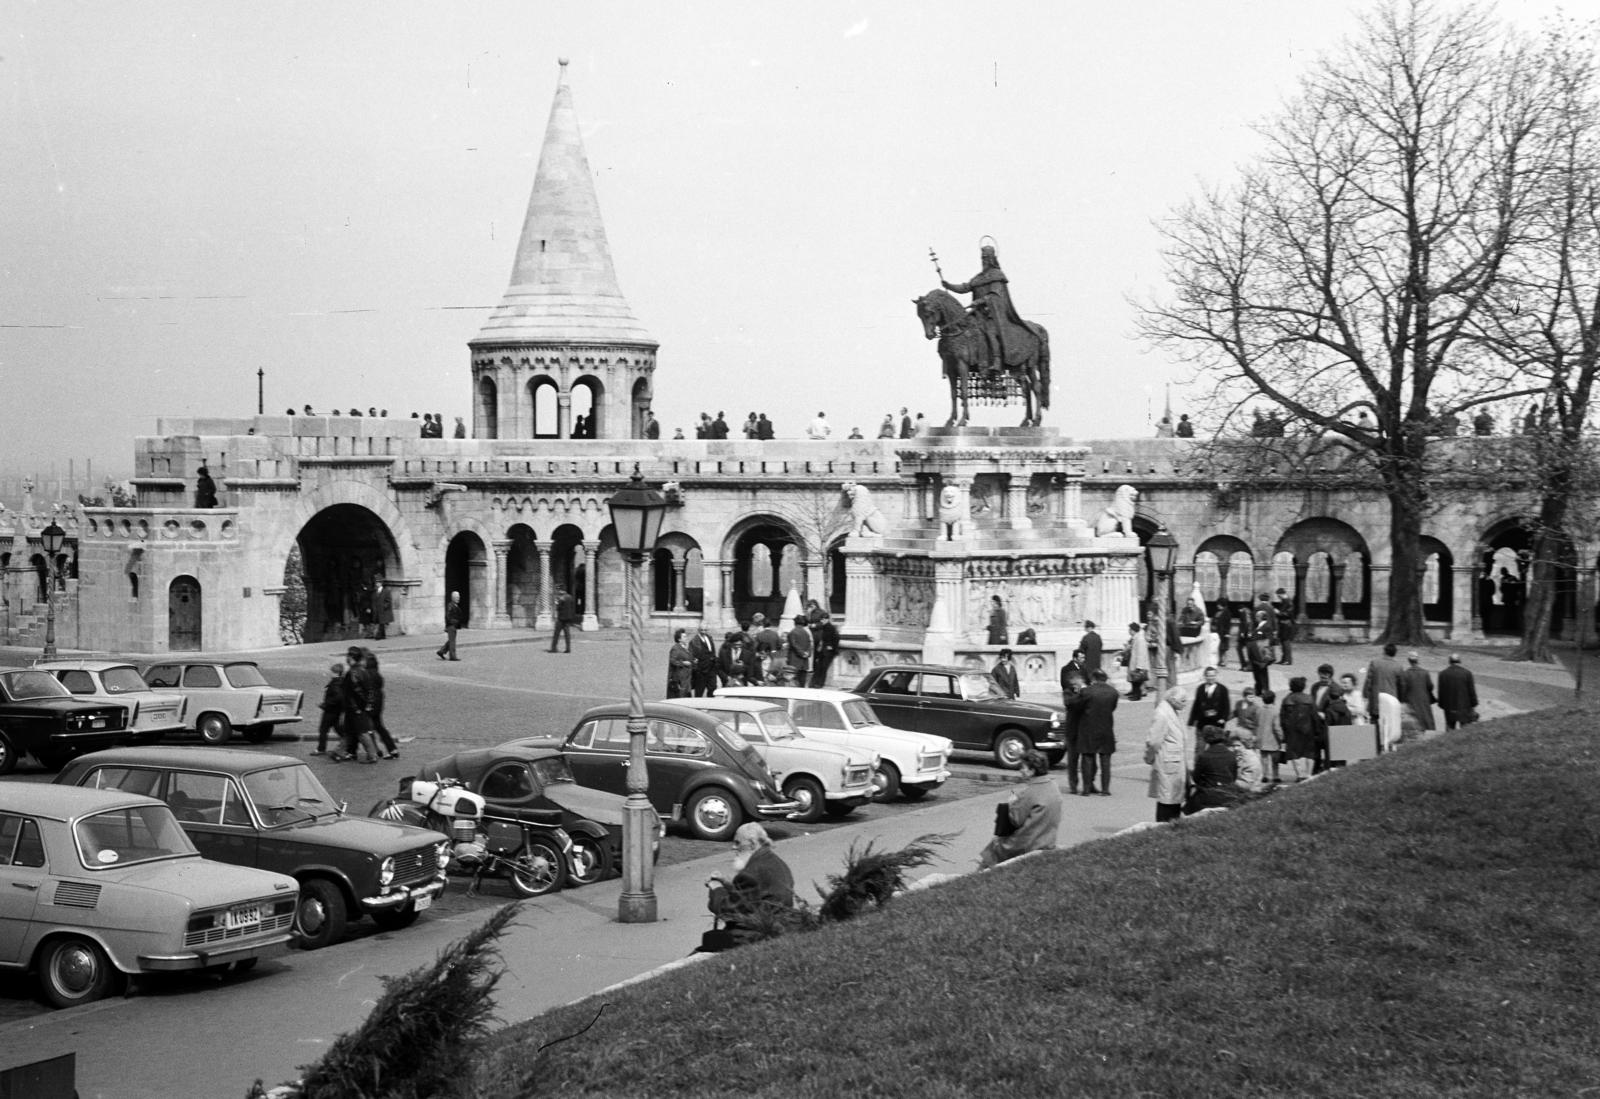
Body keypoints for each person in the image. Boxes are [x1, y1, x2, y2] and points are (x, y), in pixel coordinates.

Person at [941, 240, 1028, 377]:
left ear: (992, 259)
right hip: (976, 315)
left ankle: (997, 362)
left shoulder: (997, 276)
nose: (984, 261)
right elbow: (965, 287)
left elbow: (995, 295)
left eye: (986, 258)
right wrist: (949, 285)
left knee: (990, 332)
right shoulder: (979, 277)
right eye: (982, 258)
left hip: (992, 315)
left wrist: (979, 302)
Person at [704, 823, 795, 948]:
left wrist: (716, 888)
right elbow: (754, 894)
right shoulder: (775, 862)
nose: (733, 848)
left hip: (756, 935)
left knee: (709, 943)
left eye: (737, 843)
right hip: (780, 926)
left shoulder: (751, 873)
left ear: (752, 844)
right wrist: (726, 882)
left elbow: (727, 909)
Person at [977, 750, 1063, 870]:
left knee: (994, 847)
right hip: (1047, 840)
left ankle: (978, 876)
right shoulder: (1053, 786)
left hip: (1028, 842)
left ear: (1032, 771)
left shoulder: (1029, 792)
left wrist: (1012, 803)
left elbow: (1015, 819)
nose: (1020, 770)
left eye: (1023, 767)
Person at [1145, 686, 1193, 823]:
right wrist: (1149, 757)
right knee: (1167, 799)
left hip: (1175, 762)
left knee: (1174, 798)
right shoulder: (1162, 713)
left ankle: (1173, 825)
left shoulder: (1174, 711)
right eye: (1183, 701)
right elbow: (1153, 741)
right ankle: (1164, 826)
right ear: (1173, 699)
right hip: (1167, 762)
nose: (1185, 704)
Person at [1069, 669, 1119, 796]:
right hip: (1106, 728)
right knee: (1106, 760)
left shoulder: (1087, 692)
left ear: (1093, 679)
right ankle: (1105, 789)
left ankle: (1086, 789)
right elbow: (1112, 708)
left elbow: (1075, 705)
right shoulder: (1113, 692)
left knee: (1087, 758)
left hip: (1088, 729)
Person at [340, 646, 381, 764]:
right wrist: (368, 704)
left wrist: (357, 708)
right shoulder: (363, 671)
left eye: (348, 656)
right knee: (351, 731)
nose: (346, 658)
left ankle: (372, 755)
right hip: (358, 708)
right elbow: (369, 690)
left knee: (362, 733)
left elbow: (353, 693)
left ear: (351, 658)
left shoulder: (353, 673)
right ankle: (340, 752)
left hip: (355, 709)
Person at [1188, 726, 1241, 811]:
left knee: (1188, 807)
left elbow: (1196, 778)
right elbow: (1234, 777)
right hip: (1229, 794)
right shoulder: (1231, 755)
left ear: (1206, 739)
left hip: (1209, 795)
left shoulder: (1204, 756)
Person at [1364, 643, 1405, 750]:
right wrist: (1400, 700)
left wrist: (1366, 695)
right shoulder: (1398, 667)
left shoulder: (1374, 663)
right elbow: (1402, 686)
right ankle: (1388, 745)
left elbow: (1369, 681)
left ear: (1384, 651)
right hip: (1391, 700)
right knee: (1390, 724)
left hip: (1376, 700)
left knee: (1374, 723)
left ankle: (1376, 746)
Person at [1279, 676, 1320, 782]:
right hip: (1308, 728)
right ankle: (1309, 774)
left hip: (1292, 730)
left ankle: (1299, 774)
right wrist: (1317, 729)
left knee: (1294, 753)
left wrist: (1284, 732)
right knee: (1310, 752)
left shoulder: (1286, 700)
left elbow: (1282, 718)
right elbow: (1315, 716)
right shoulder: (1309, 699)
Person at [364, 651, 399, 758]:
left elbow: (368, 690)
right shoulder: (377, 674)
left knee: (368, 727)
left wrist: (368, 704)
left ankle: (375, 750)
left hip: (371, 703)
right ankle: (392, 749)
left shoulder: (368, 675)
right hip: (378, 702)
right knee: (379, 727)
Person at [1437, 654, 1479, 729]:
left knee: (1449, 728)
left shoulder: (1442, 674)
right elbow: (1471, 691)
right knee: (1464, 729)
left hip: (1449, 707)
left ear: (1449, 661)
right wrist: (1474, 704)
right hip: (1464, 707)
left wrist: (1442, 705)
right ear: (1459, 661)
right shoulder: (1467, 673)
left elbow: (1441, 692)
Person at [312, 661, 344, 757]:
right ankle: (348, 742)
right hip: (335, 711)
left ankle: (321, 748)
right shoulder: (341, 682)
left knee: (323, 730)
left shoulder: (335, 684)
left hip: (330, 711)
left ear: (336, 673)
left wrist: (325, 704)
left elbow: (338, 697)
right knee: (338, 729)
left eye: (332, 672)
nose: (330, 673)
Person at [1400, 652, 1437, 733]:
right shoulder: (1425, 673)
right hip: (1424, 700)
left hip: (1411, 701)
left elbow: (1403, 689)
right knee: (1425, 719)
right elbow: (1430, 686)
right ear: (1417, 660)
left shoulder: (1406, 674)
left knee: (1414, 719)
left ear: (1409, 661)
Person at [1188, 666, 1230, 730]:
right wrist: (1191, 722)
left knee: (1216, 739)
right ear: (1205, 676)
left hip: (1217, 722)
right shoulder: (1200, 688)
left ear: (1216, 676)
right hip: (1202, 723)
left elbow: (1226, 706)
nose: (1211, 678)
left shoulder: (1222, 689)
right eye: (1208, 676)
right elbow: (1196, 705)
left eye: (1213, 676)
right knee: (1201, 739)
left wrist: (1224, 718)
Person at [1255, 687, 1282, 784]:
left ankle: (1265, 775)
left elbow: (1256, 723)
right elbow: (1277, 727)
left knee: (1264, 758)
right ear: (1274, 699)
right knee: (1275, 760)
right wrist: (1281, 737)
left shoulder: (1259, 710)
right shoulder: (1275, 711)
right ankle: (1276, 775)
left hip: (1262, 738)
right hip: (1273, 739)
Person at [810, 612, 839, 688]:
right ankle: (816, 683)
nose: (822, 621)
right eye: (821, 619)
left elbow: (836, 638)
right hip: (823, 651)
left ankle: (819, 683)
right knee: (820, 667)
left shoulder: (830, 627)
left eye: (823, 619)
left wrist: (831, 646)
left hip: (827, 651)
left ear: (827, 619)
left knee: (823, 667)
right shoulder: (824, 627)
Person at [689, 622, 719, 697]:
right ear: (698, 630)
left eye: (705, 630)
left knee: (712, 688)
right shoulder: (694, 641)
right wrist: (696, 668)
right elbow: (691, 655)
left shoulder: (709, 637)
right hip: (701, 670)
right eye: (702, 630)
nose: (703, 632)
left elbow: (712, 651)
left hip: (711, 668)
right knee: (699, 690)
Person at [751, 613, 782, 683]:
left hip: (762, 657)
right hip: (774, 657)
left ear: (763, 624)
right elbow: (779, 646)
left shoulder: (759, 635)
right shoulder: (775, 634)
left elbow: (754, 647)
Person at [783, 615, 813, 686]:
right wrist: (807, 653)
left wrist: (802, 653)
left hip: (794, 660)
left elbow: (794, 645)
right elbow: (809, 644)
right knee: (802, 681)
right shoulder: (806, 632)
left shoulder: (792, 632)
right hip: (804, 660)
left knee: (793, 682)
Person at [1124, 622, 1150, 700]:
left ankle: (1137, 695)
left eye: (1130, 629)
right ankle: (1134, 693)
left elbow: (1141, 653)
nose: (1129, 631)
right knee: (1134, 680)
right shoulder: (1135, 638)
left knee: (1137, 680)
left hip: (1137, 664)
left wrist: (1139, 666)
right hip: (1134, 662)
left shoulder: (1140, 639)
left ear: (1133, 630)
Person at [549, 587, 577, 653]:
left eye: (558, 590)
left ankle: (554, 648)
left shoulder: (561, 598)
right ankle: (568, 648)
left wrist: (556, 603)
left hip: (561, 618)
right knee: (567, 634)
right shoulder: (570, 597)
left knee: (556, 634)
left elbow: (558, 608)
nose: (558, 592)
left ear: (561, 590)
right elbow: (572, 607)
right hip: (568, 618)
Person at [666, 629, 693, 698]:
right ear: (679, 639)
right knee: (680, 696)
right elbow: (673, 661)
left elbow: (686, 658)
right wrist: (683, 663)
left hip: (686, 677)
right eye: (684, 637)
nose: (686, 638)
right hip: (679, 678)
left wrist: (693, 660)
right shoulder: (676, 648)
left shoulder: (684, 648)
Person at [1273, 589, 1296, 664]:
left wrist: (1278, 612)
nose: (1278, 597)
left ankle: (1287, 660)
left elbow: (1288, 614)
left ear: (1281, 594)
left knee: (1286, 642)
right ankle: (1284, 659)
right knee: (1283, 642)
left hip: (1287, 624)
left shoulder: (1288, 602)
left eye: (1278, 595)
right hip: (1283, 624)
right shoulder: (1284, 601)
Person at [436, 591, 461, 661]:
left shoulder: (455, 605)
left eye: (458, 597)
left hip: (454, 626)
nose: (458, 598)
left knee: (451, 640)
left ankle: (441, 651)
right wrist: (454, 622)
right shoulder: (450, 605)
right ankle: (453, 656)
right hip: (451, 626)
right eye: (456, 597)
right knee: (452, 641)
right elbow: (448, 616)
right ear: (452, 598)